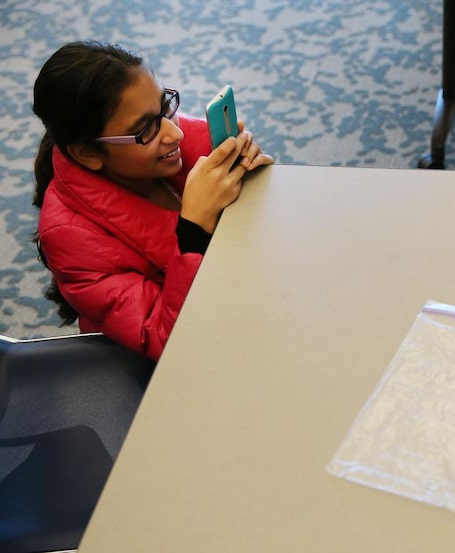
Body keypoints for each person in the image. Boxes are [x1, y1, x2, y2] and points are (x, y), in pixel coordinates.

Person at [31, 41, 273, 360]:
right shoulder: (69, 239)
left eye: (165, 106)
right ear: (88, 154)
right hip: (151, 367)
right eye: (146, 128)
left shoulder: (158, 141)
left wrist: (246, 171)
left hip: (229, 306)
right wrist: (193, 230)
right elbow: (163, 340)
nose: (175, 133)